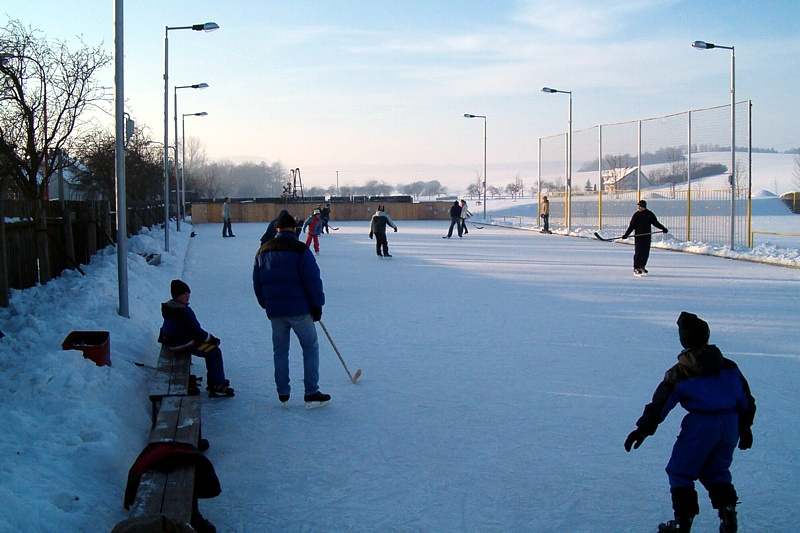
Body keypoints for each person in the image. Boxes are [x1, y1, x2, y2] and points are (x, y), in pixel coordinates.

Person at [624, 312, 755, 533]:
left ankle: (682, 522)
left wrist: (642, 429)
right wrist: (745, 427)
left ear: (683, 340)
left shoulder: (680, 372)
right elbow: (745, 400)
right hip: (730, 425)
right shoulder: (729, 366)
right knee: (717, 470)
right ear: (707, 336)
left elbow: (660, 404)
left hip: (700, 426)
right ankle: (728, 513)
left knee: (680, 471)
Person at [253, 211, 330, 409]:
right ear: (294, 229)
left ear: (276, 228)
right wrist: (317, 306)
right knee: (310, 347)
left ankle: (283, 392)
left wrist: (267, 304)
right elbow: (313, 280)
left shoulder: (262, 251)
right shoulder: (300, 249)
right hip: (299, 311)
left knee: (280, 351)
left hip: (276, 312)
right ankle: (311, 392)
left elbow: (257, 283)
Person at [158, 280, 235, 398]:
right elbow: (195, 332)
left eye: (188, 293)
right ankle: (217, 385)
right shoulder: (180, 313)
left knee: (213, 350)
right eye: (183, 294)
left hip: (179, 340)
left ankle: (216, 381)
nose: (187, 296)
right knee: (213, 352)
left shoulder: (176, 308)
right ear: (176, 296)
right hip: (181, 343)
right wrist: (211, 339)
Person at [622, 199, 668, 276]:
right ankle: (636, 267)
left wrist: (663, 228)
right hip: (638, 237)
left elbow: (655, 223)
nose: (639, 207)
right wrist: (626, 234)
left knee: (645, 253)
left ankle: (642, 266)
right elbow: (632, 226)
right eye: (638, 206)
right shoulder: (636, 215)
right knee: (638, 252)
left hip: (647, 236)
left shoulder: (649, 214)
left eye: (641, 206)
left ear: (644, 207)